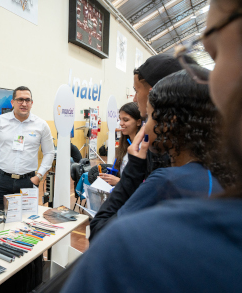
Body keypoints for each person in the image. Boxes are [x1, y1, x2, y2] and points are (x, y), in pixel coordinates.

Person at [61, 1, 242, 291]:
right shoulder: (218, 179)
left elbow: (104, 234)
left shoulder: (164, 181)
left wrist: (131, 173)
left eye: (217, 55)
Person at [89, 54, 192, 241]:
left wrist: (131, 174)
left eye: (150, 118)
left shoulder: (163, 174)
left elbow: (101, 230)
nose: (135, 97)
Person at [118, 69, 233, 215]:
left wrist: (133, 169)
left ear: (167, 123)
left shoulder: (165, 182)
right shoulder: (219, 176)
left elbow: (103, 229)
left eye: (149, 118)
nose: (146, 126)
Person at [0, 86, 55, 209]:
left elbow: (49, 152)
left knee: (27, 221)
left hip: (28, 182)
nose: (24, 103)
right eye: (20, 100)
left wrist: (38, 176)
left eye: (27, 100)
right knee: (0, 221)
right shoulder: (0, 121)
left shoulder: (41, 125)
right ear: (12, 102)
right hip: (1, 181)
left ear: (32, 103)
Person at [98, 102, 142, 186]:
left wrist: (119, 182)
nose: (121, 123)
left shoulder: (143, 148)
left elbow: (143, 183)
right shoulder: (124, 145)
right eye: (120, 119)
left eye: (125, 120)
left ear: (138, 122)